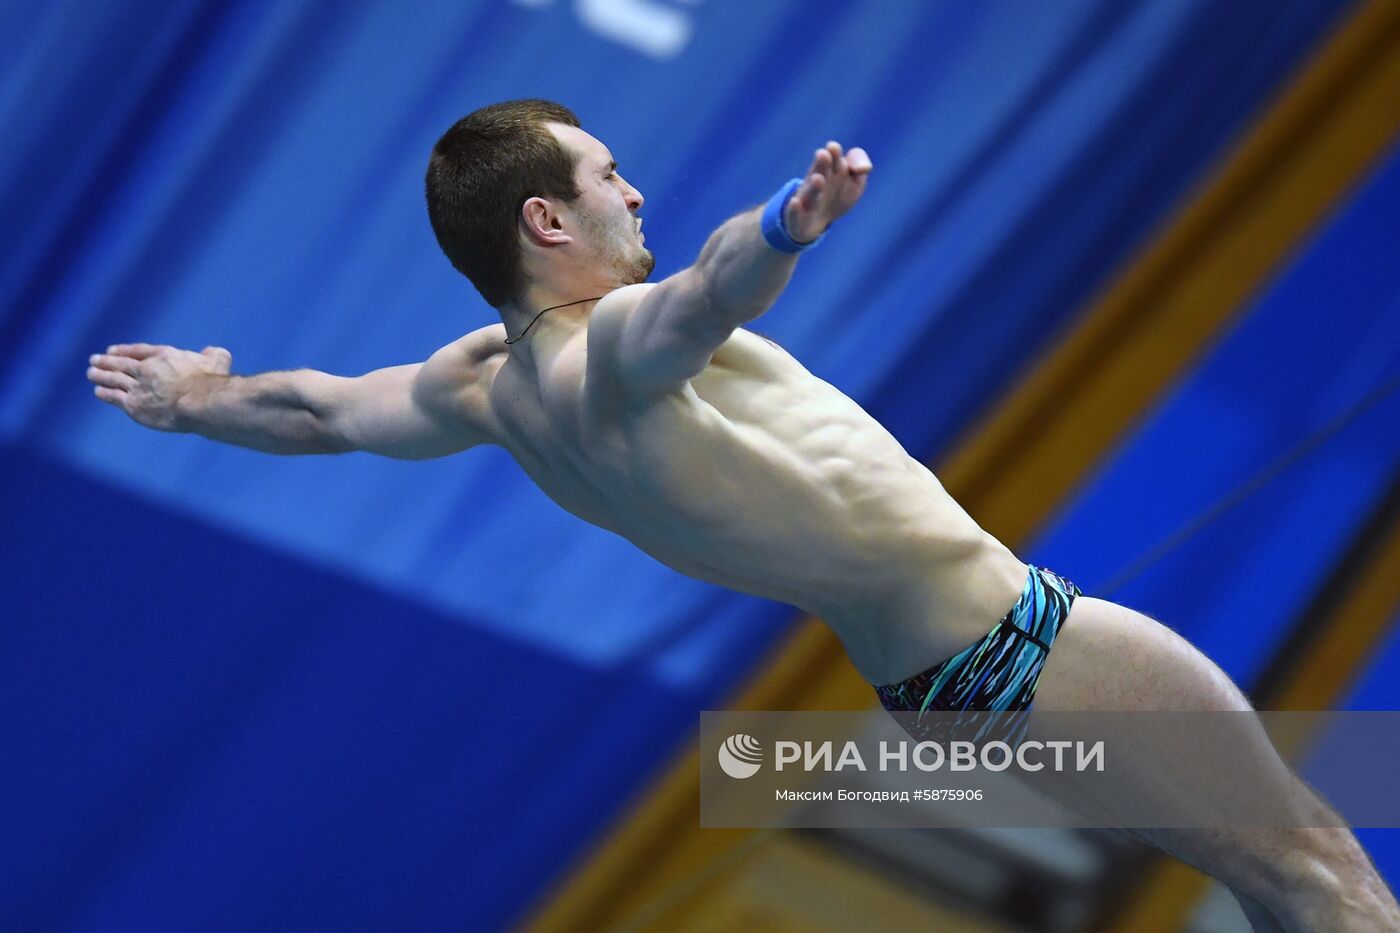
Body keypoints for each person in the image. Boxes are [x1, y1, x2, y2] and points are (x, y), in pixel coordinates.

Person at [86, 99, 1395, 930]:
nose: (632, 192)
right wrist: (789, 221)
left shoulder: (478, 386)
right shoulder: (601, 361)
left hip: (950, 674)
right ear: (548, 218)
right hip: (1022, 655)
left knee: (1280, 878)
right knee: (1318, 871)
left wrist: (200, 398)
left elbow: (320, 411)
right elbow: (706, 293)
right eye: (608, 176)